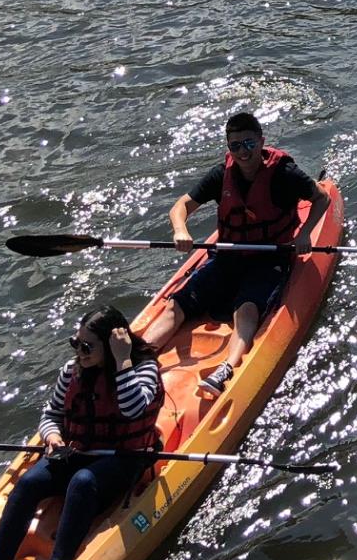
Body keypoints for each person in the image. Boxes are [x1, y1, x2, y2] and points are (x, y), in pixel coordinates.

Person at [0, 306, 164, 560]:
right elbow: (52, 414)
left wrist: (122, 360)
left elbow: (134, 408)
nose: (79, 353)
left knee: (82, 482)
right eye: (76, 343)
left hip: (124, 458)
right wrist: (52, 436)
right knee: (29, 482)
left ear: (111, 346)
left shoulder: (143, 371)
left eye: (87, 347)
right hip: (78, 450)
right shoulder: (72, 372)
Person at [139, 112, 330, 399]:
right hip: (228, 256)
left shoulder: (284, 174)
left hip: (270, 257)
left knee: (247, 307)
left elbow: (321, 198)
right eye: (236, 146)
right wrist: (180, 229)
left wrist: (305, 235)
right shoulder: (220, 175)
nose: (243, 152)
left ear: (261, 141)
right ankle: (137, 358)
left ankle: (226, 367)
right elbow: (181, 206)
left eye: (249, 144)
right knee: (176, 305)